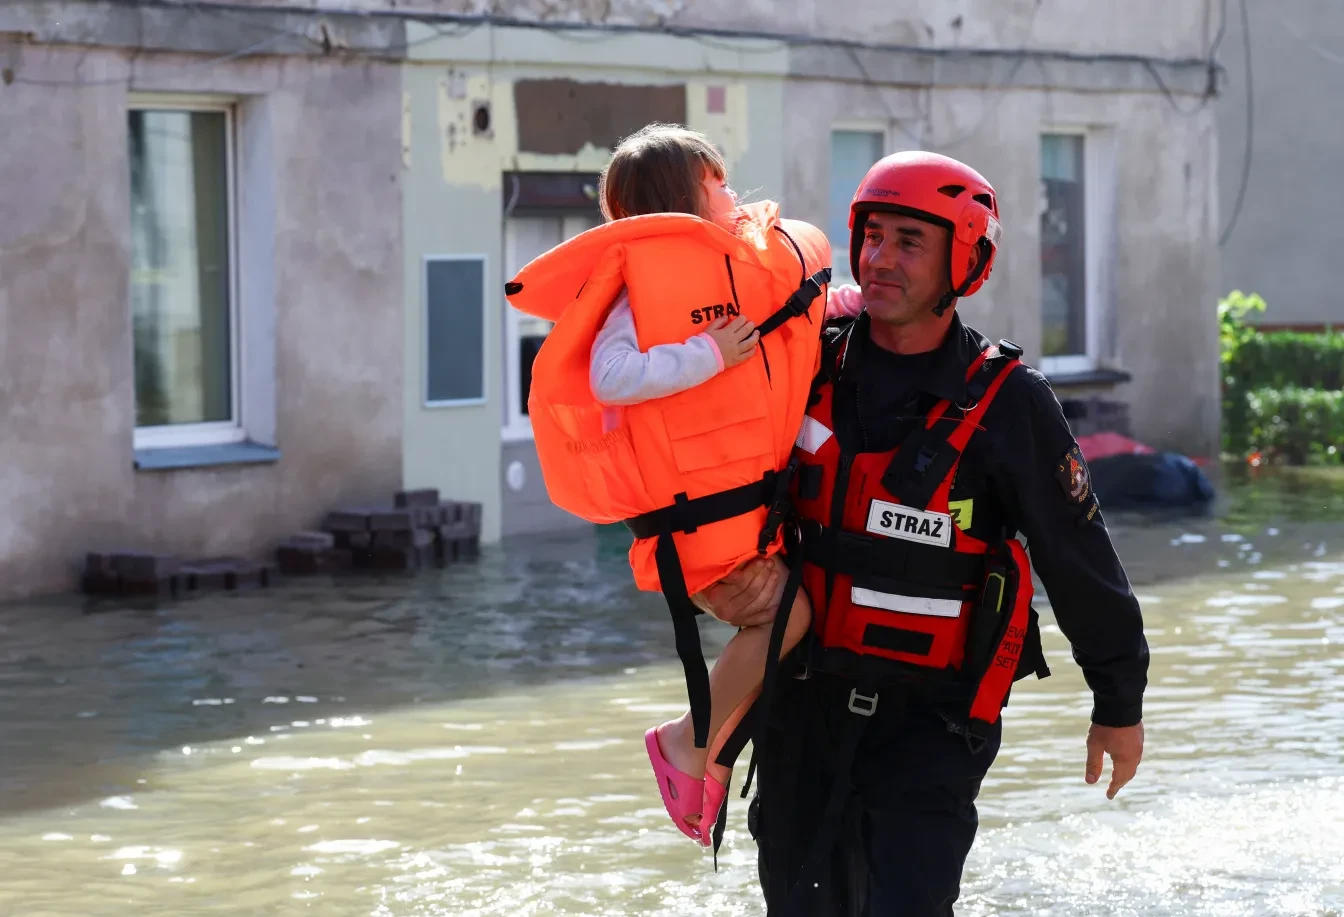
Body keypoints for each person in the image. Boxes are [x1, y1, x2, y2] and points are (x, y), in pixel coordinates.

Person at [694, 151, 1149, 915]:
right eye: (871, 237)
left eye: (909, 242)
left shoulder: (1011, 406)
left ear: (964, 260)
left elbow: (1080, 562)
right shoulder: (804, 364)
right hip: (800, 713)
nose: (880, 259)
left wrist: (1119, 701)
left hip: (933, 726)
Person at [504, 124, 864, 847]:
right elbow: (611, 375)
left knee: (799, 618)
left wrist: (850, 307)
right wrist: (706, 352)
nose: (734, 196)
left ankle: (716, 751)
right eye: (719, 184)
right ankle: (686, 742)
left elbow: (785, 330)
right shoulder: (640, 291)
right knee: (789, 618)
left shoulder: (734, 273)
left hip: (746, 518)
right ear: (682, 200)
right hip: (704, 533)